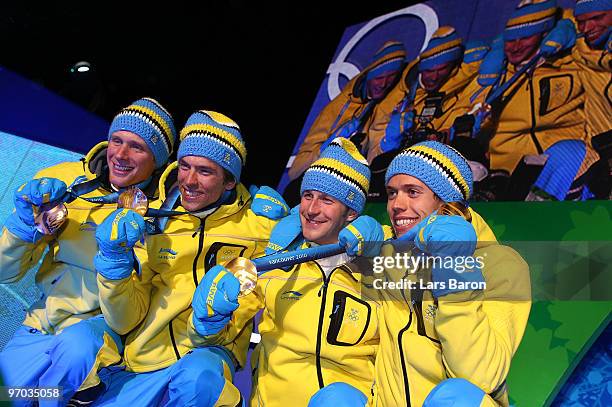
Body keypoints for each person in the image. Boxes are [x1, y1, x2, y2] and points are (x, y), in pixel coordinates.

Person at [90, 110, 290, 406]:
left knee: (200, 380)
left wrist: (214, 323)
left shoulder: (261, 227)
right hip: (141, 362)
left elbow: (316, 235)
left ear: (230, 181)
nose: (189, 181)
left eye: (205, 171)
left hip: (207, 358)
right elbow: (124, 319)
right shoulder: (153, 221)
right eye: (184, 166)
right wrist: (113, 266)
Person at [0, 97, 176, 405]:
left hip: (98, 341)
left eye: (137, 147)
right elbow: (5, 273)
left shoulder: (165, 217)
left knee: (71, 359)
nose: (120, 154)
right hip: (41, 326)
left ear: (157, 159)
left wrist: (115, 260)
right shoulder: (69, 180)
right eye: (116, 141)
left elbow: (126, 319)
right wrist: (23, 225)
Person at [195, 137, 385, 406]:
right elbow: (224, 332)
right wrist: (210, 318)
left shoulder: (378, 265)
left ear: (352, 212)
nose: (311, 209)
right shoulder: (276, 259)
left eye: (326, 200)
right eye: (308, 196)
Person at [372, 141, 531, 406]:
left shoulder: (502, 265)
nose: (397, 204)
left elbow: (480, 376)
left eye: (412, 192)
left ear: (446, 201)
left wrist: (454, 268)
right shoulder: (388, 251)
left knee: (457, 398)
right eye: (391, 193)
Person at [470, 0, 599, 201]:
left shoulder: (570, 64)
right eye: (510, 39)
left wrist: (565, 25)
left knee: (570, 155)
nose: (516, 46)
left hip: (560, 167)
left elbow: (592, 22)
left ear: (545, 33)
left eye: (526, 37)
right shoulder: (496, 77)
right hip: (505, 177)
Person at [287, 41, 406, 184]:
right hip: (316, 181)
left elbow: (374, 165)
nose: (383, 84)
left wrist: (389, 141)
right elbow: (295, 172)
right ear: (369, 75)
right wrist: (326, 148)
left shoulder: (387, 104)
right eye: (379, 77)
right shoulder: (337, 108)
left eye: (391, 77)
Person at [368, 26, 489, 162]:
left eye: (442, 69)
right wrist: (390, 141)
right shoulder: (397, 96)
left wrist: (454, 135)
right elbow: (373, 159)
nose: (434, 77)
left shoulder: (466, 87)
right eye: (428, 71)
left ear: (452, 66)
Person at [571, 0, 611, 198]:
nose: (587, 29)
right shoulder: (580, 53)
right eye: (581, 22)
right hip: (598, 157)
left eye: (597, 18)